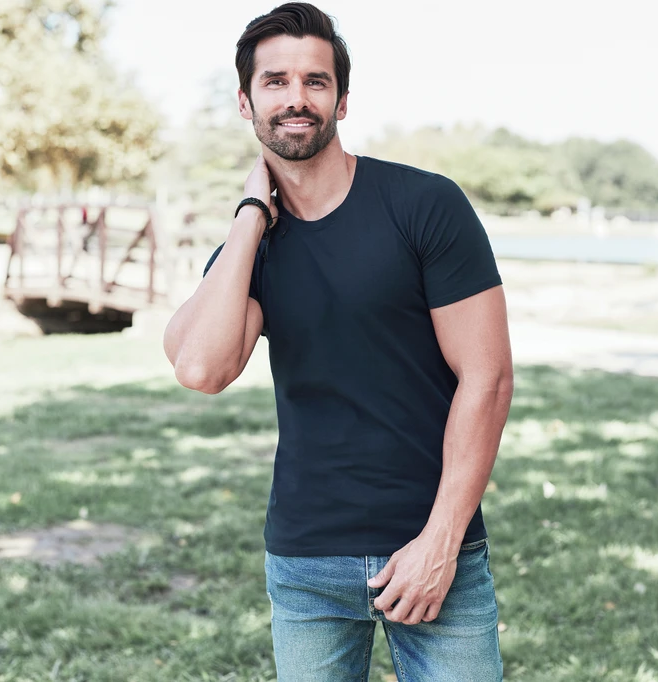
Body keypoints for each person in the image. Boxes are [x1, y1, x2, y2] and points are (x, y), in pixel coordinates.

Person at [163, 3, 514, 680]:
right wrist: (250, 214)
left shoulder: (424, 205)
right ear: (245, 102)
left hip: (434, 548)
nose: (296, 97)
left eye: (315, 81)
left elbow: (488, 378)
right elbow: (201, 368)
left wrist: (441, 541)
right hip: (306, 563)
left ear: (342, 101)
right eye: (275, 81)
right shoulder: (253, 246)